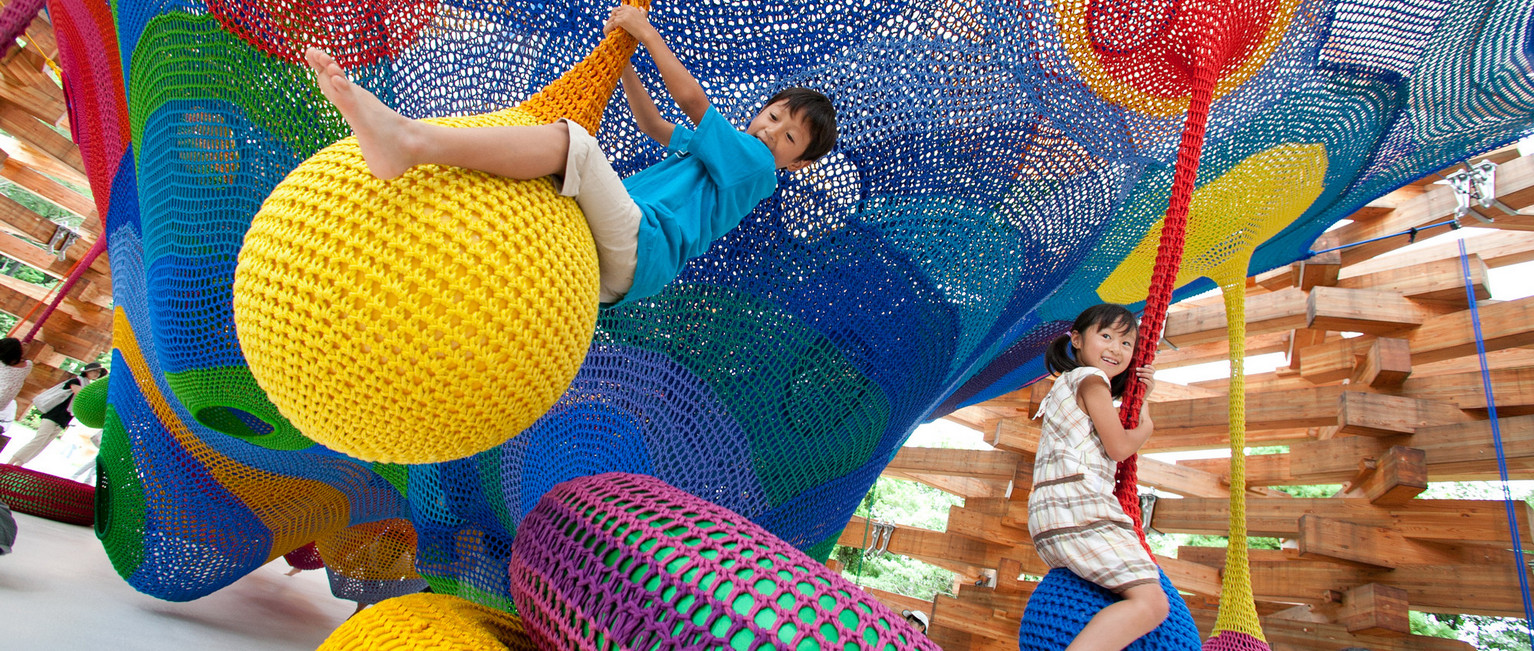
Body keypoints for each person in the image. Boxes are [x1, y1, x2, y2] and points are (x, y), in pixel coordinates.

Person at [302, 3, 837, 306]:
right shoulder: (717, 157)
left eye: (790, 137)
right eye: (773, 116)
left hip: (642, 244)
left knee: (573, 145)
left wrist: (644, 33)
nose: (772, 133)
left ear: (796, 163)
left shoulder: (756, 167)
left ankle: (411, 142)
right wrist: (620, 62)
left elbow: (691, 100)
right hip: (612, 269)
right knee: (541, 183)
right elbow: (653, 124)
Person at [1028, 304, 1165, 651]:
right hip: (1078, 507)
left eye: (1126, 344)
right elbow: (1119, 446)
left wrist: (1139, 398)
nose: (1116, 349)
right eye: (1106, 336)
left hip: (1054, 513)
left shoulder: (1068, 386)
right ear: (1076, 339)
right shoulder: (1091, 379)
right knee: (1152, 603)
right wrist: (1146, 426)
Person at [5, 363, 107, 468]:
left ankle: (19, 464)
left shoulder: (87, 386)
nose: (96, 374)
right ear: (87, 371)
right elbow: (82, 395)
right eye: (95, 371)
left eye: (98, 372)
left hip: (65, 419)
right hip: (54, 415)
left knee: (44, 443)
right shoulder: (76, 382)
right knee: (39, 439)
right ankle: (11, 462)